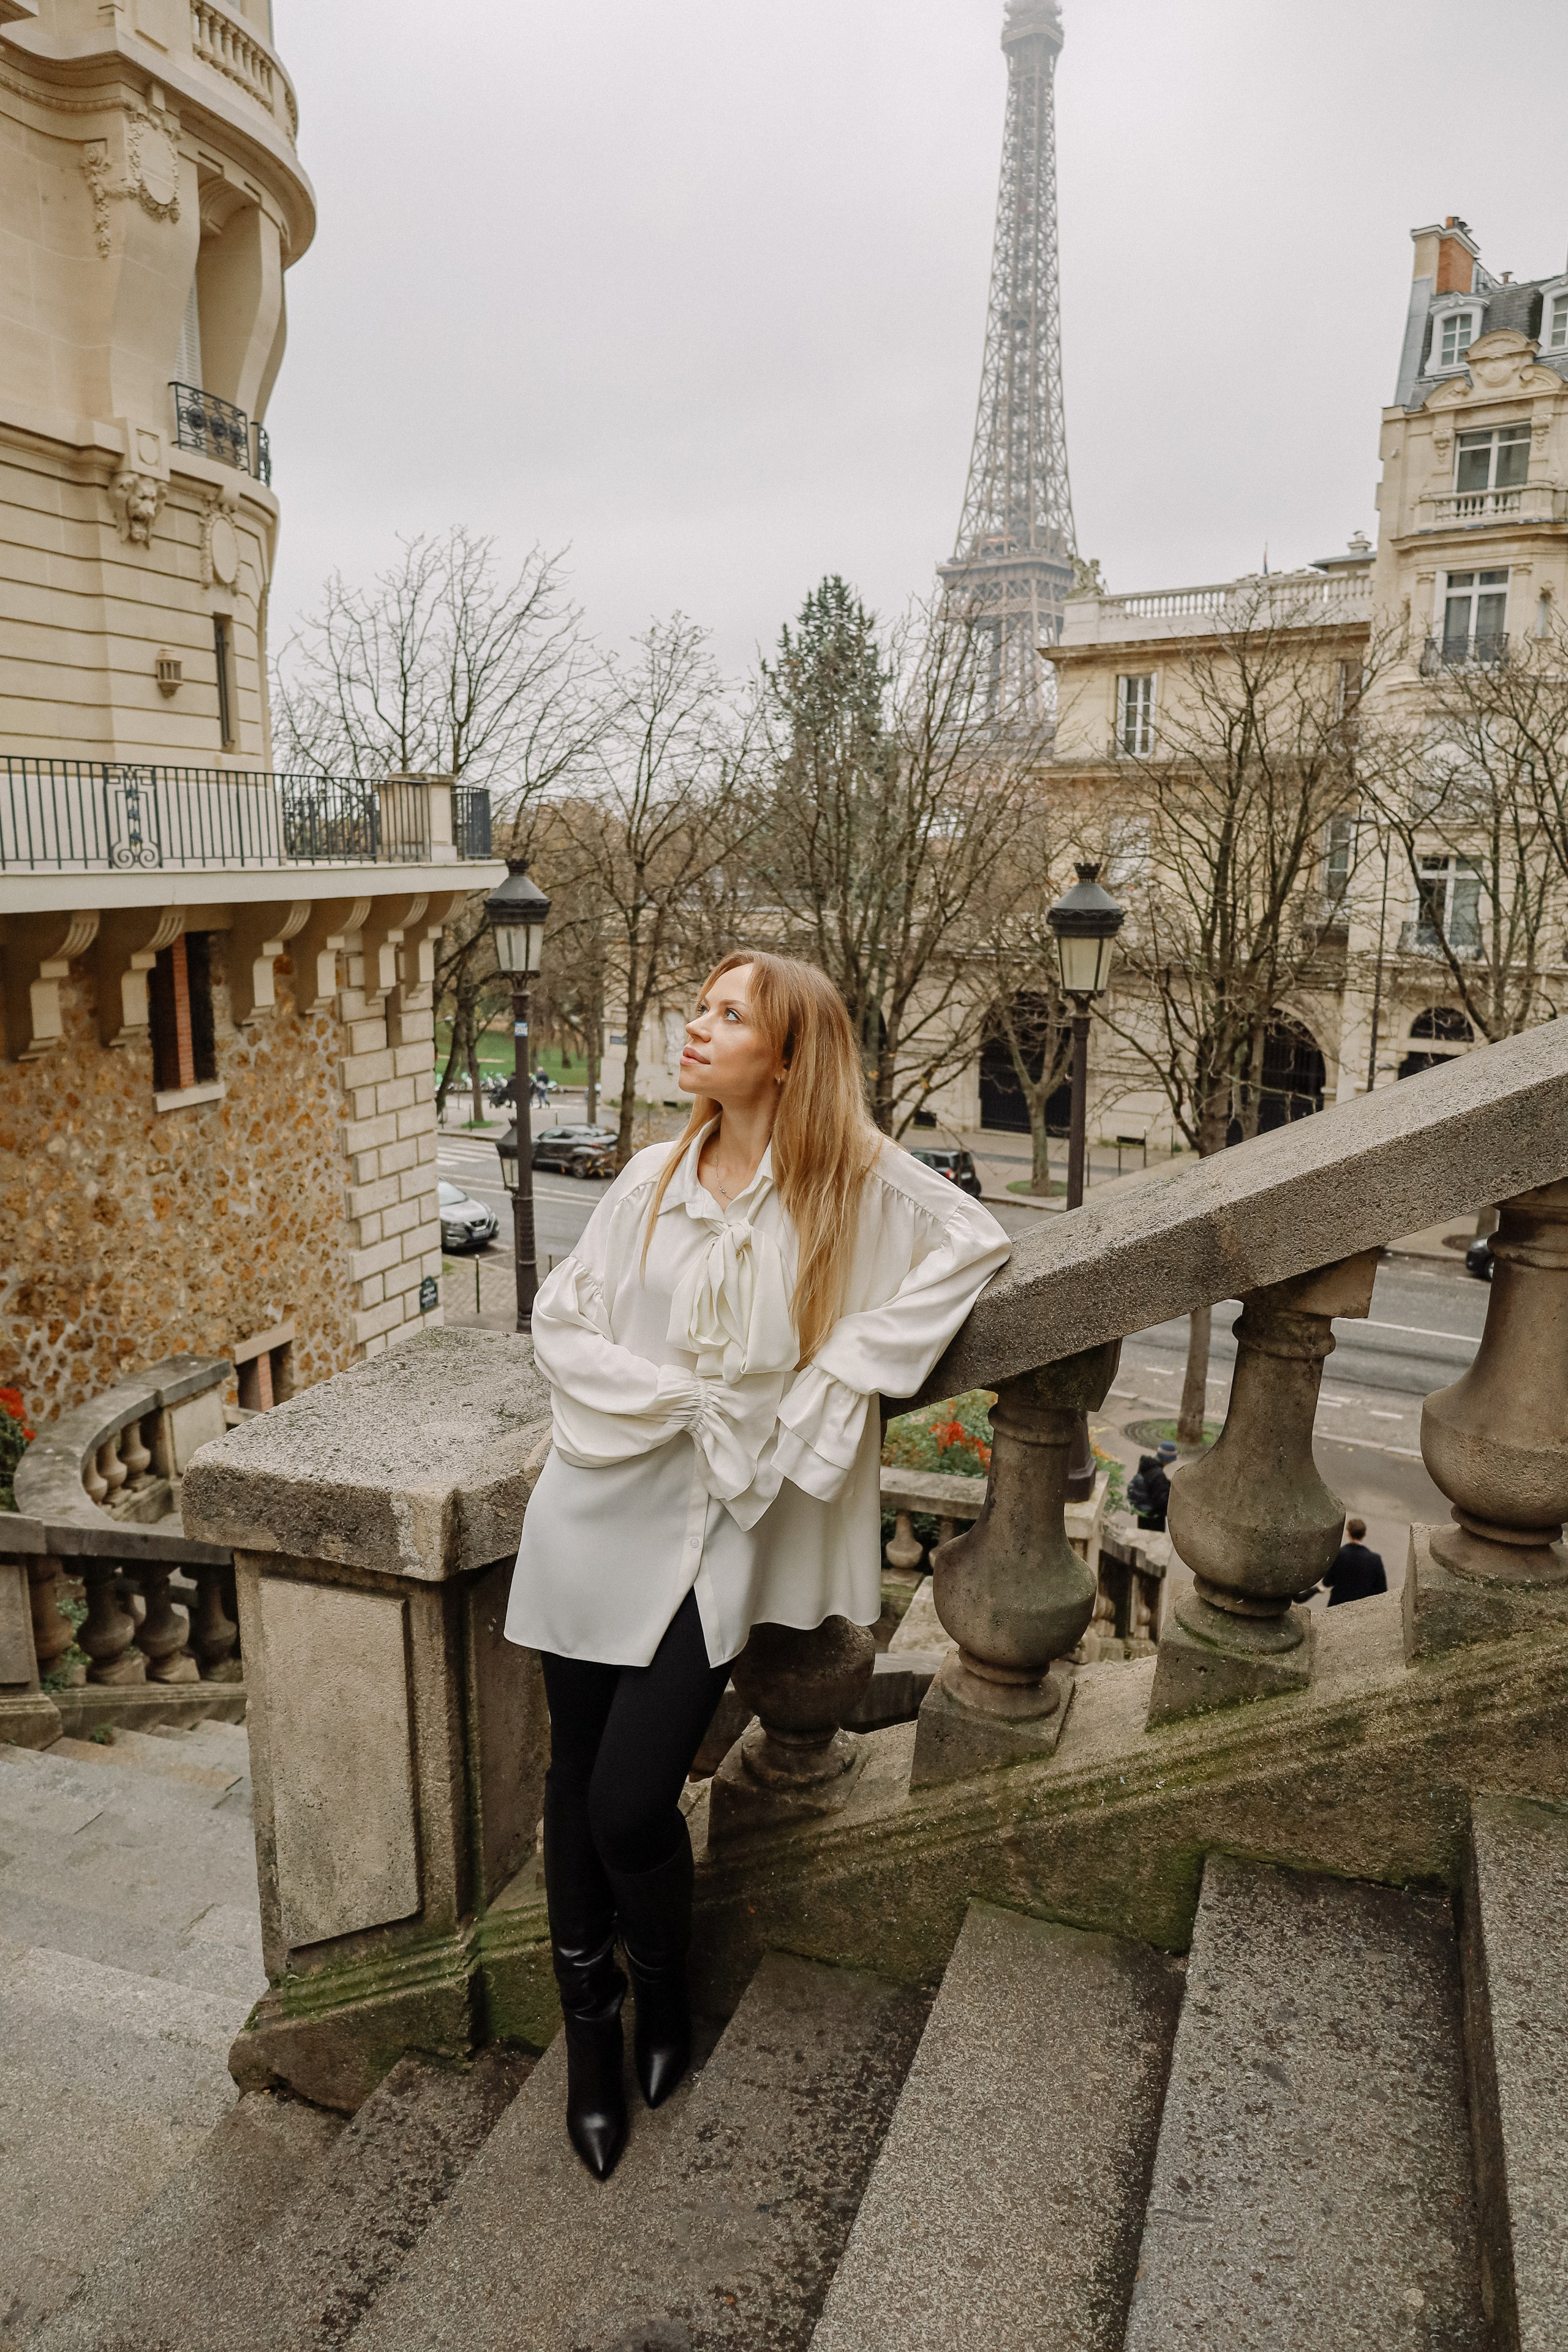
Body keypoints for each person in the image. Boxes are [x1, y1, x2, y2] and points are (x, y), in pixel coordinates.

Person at [505, 951, 1010, 2181]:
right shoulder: (645, 1181)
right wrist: (673, 1396)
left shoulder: (846, 1184)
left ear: (786, 1057)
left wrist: (843, 1370)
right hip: (598, 1503)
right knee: (575, 1776)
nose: (697, 1026)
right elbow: (560, 1324)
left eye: (730, 1016)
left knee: (631, 1797)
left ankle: (664, 1995)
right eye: (700, 1007)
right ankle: (591, 2037)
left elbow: (971, 1239)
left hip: (717, 1531)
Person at [1322, 1517, 1387, 1606]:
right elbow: (1382, 1590)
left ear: (1348, 1533)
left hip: (1337, 1605)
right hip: (1362, 1608)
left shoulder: (1338, 1554)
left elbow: (1327, 1582)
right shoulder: (1375, 1559)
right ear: (1365, 1534)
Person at [1129, 1439, 1177, 1531]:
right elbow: (1161, 1500)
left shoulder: (1146, 1465)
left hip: (1143, 1513)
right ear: (1167, 1459)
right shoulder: (1158, 1475)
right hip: (1154, 1517)